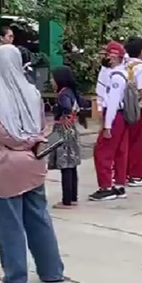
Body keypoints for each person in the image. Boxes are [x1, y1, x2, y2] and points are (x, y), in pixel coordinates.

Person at [0, 45, 64, 283]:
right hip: (33, 163)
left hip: (4, 168)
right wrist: (31, 142)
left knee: (8, 223)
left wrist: (21, 142)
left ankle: (14, 276)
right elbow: (39, 126)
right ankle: (51, 270)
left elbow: (3, 134)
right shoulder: (32, 92)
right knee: (39, 217)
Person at [90, 41, 130, 202]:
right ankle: (119, 184)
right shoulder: (124, 73)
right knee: (120, 151)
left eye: (110, 56)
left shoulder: (116, 77)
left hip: (114, 117)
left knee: (102, 152)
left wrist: (107, 126)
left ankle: (106, 187)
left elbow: (112, 103)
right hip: (120, 117)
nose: (108, 58)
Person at [122, 37, 142, 188]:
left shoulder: (124, 64)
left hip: (125, 107)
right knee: (140, 143)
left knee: (127, 140)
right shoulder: (141, 67)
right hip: (138, 108)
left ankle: (126, 172)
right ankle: (137, 175)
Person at [49, 66, 83, 209]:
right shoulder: (71, 92)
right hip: (72, 131)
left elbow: (67, 107)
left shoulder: (63, 95)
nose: (51, 81)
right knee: (72, 165)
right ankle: (73, 197)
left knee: (65, 166)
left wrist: (65, 116)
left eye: (53, 78)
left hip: (63, 131)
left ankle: (66, 200)